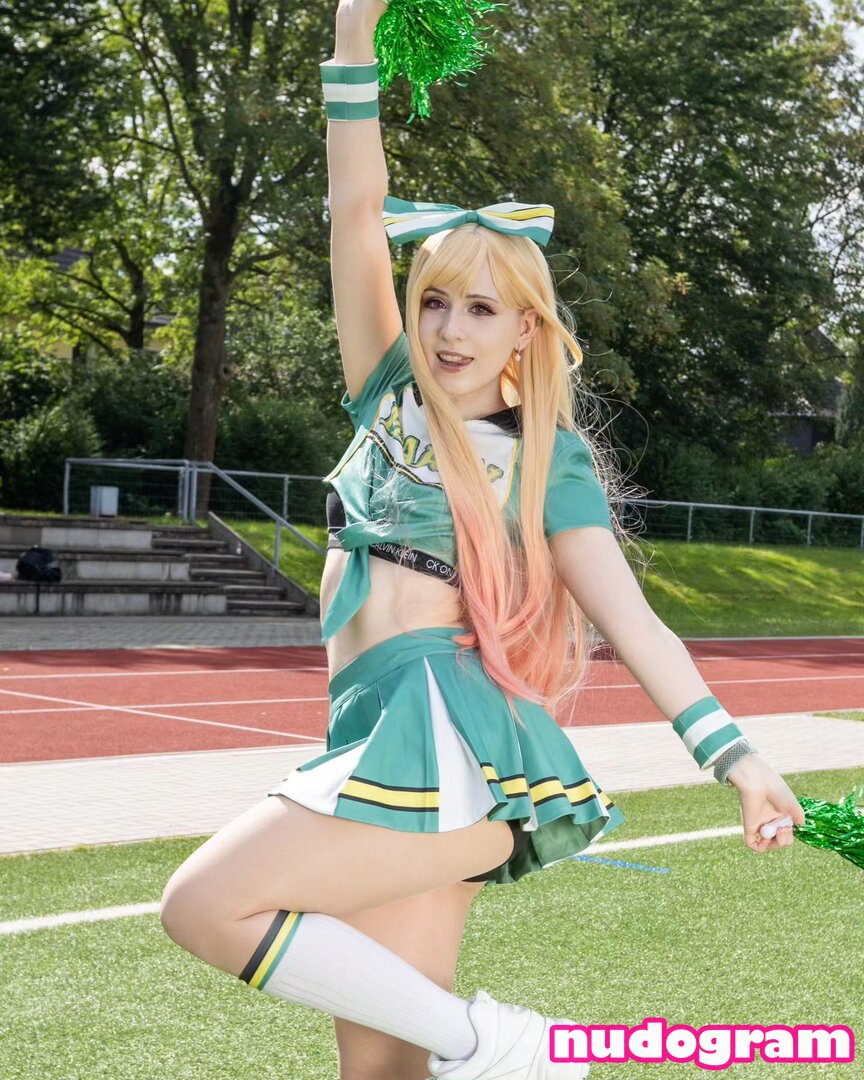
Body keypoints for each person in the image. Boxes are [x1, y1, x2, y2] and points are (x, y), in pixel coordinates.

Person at [158, 2, 806, 1077]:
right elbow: (354, 213)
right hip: (373, 735)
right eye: (435, 303)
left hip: (440, 742)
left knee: (201, 905)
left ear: (526, 330)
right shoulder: (388, 397)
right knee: (379, 1069)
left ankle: (496, 1045)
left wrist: (735, 759)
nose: (451, 330)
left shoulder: (547, 459)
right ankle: (489, 1049)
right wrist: (353, 35)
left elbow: (633, 620)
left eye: (483, 310)